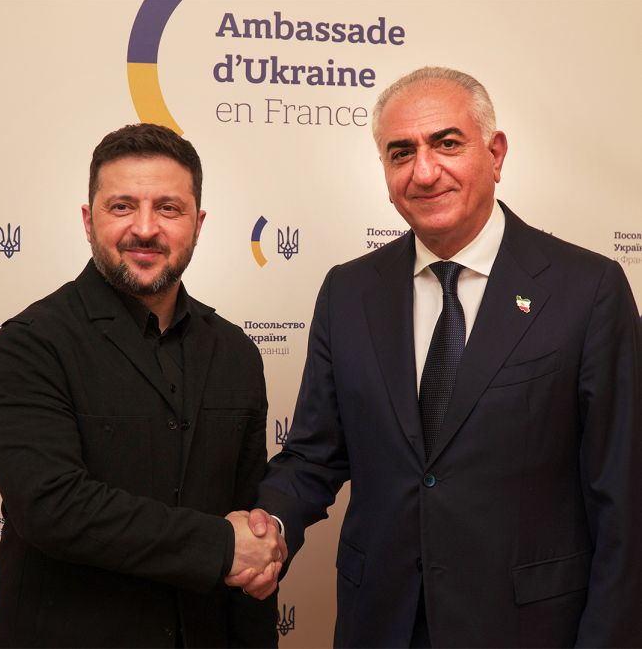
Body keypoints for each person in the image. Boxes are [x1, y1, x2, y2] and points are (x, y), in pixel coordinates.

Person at [242, 67, 642, 646]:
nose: (424, 171)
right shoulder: (348, 292)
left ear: (495, 154)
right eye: (401, 153)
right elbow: (314, 454)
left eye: (447, 143)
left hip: (528, 628)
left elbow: (624, 498)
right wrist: (270, 526)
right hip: (381, 623)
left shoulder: (588, 290)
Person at [0, 123, 285, 648]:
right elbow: (52, 507)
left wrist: (255, 560)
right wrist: (221, 546)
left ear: (197, 224)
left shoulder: (236, 353)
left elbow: (249, 519)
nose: (145, 229)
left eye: (168, 209)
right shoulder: (30, 343)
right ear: (89, 221)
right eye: (122, 206)